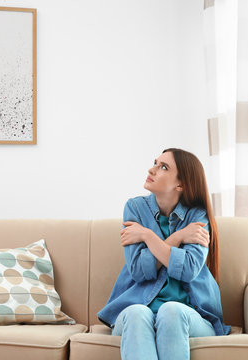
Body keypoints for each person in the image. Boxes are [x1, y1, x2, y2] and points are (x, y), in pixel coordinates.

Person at [97, 148, 230, 360]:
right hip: (137, 312)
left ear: (181, 184)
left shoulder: (198, 216)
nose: (152, 169)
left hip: (189, 315)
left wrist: (148, 237)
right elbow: (140, 270)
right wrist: (177, 238)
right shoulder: (135, 208)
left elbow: (187, 270)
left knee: (172, 311)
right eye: (155, 163)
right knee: (136, 312)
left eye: (163, 167)